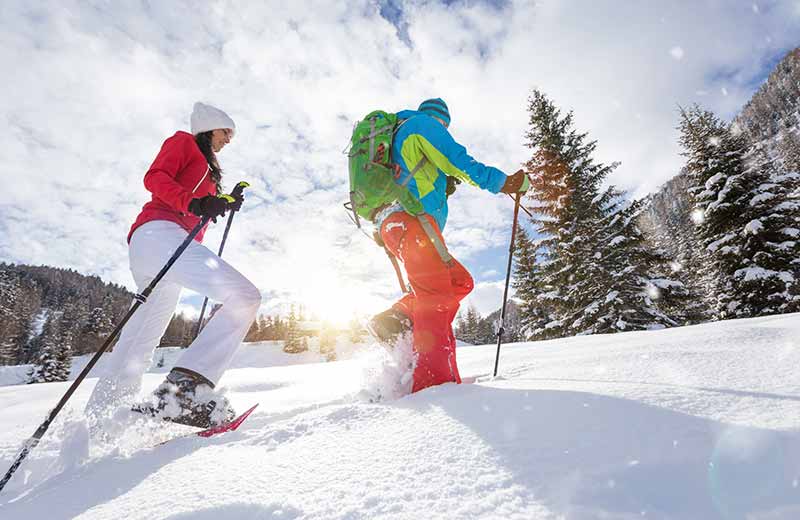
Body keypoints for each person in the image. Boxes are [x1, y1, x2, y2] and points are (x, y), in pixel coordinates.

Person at [85, 102, 262, 429]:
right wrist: (196, 202)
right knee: (245, 296)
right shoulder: (184, 142)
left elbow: (199, 204)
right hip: (159, 234)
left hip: (157, 245)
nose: (228, 140)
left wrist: (222, 202)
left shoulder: (209, 169)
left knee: (140, 342)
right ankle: (186, 391)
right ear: (209, 127)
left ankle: (102, 425)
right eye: (226, 132)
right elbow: (156, 178)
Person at [368, 98, 529, 394]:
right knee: (436, 298)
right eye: (445, 125)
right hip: (412, 222)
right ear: (440, 120)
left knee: (459, 281)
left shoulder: (400, 133)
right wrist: (504, 182)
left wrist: (442, 184)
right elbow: (459, 161)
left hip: (400, 225)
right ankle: (436, 385)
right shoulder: (423, 125)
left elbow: (411, 178)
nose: (444, 129)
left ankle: (398, 317)